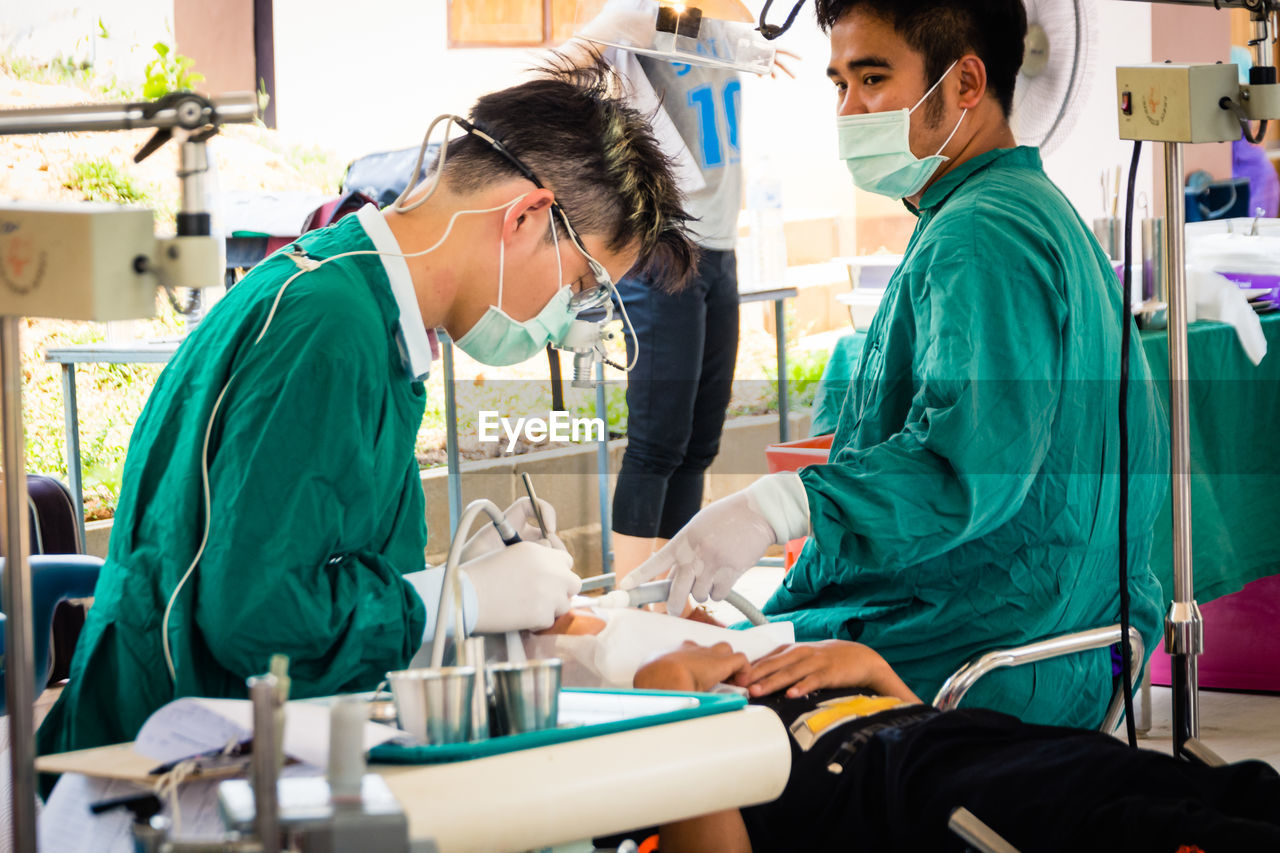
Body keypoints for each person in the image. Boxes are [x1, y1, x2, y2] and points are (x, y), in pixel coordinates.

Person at [37, 59, 697, 757]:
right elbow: (258, 617)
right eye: (579, 283)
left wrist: (457, 578)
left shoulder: (367, 311)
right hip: (170, 769)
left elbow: (310, 550)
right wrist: (458, 597)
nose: (568, 321)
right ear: (527, 216)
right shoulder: (328, 325)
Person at [624, 0, 1170, 729]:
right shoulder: (1020, 208)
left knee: (674, 705)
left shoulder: (980, 235)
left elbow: (969, 466)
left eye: (873, 79)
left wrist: (780, 506)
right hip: (1034, 630)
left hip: (977, 654)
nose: (851, 110)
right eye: (838, 84)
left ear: (967, 82)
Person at [628, 640, 1280, 852]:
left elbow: (919, 727)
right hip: (989, 805)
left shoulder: (782, 673)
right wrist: (669, 698)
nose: (711, 631)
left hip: (1043, 755)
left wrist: (872, 668)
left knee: (1240, 791)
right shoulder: (684, 751)